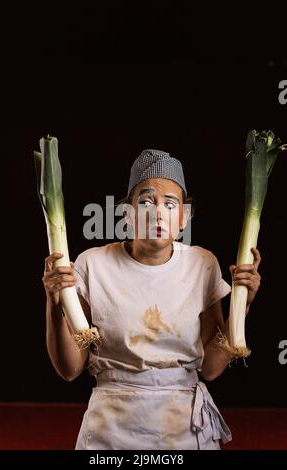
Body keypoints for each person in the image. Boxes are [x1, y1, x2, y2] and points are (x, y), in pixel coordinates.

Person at [42, 149, 261, 450]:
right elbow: (69, 370)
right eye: (145, 202)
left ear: (184, 217)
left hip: (182, 427)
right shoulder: (92, 265)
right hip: (111, 427)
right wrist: (54, 308)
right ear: (127, 213)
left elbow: (210, 368)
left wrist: (243, 303)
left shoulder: (203, 265)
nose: (158, 213)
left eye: (170, 205)